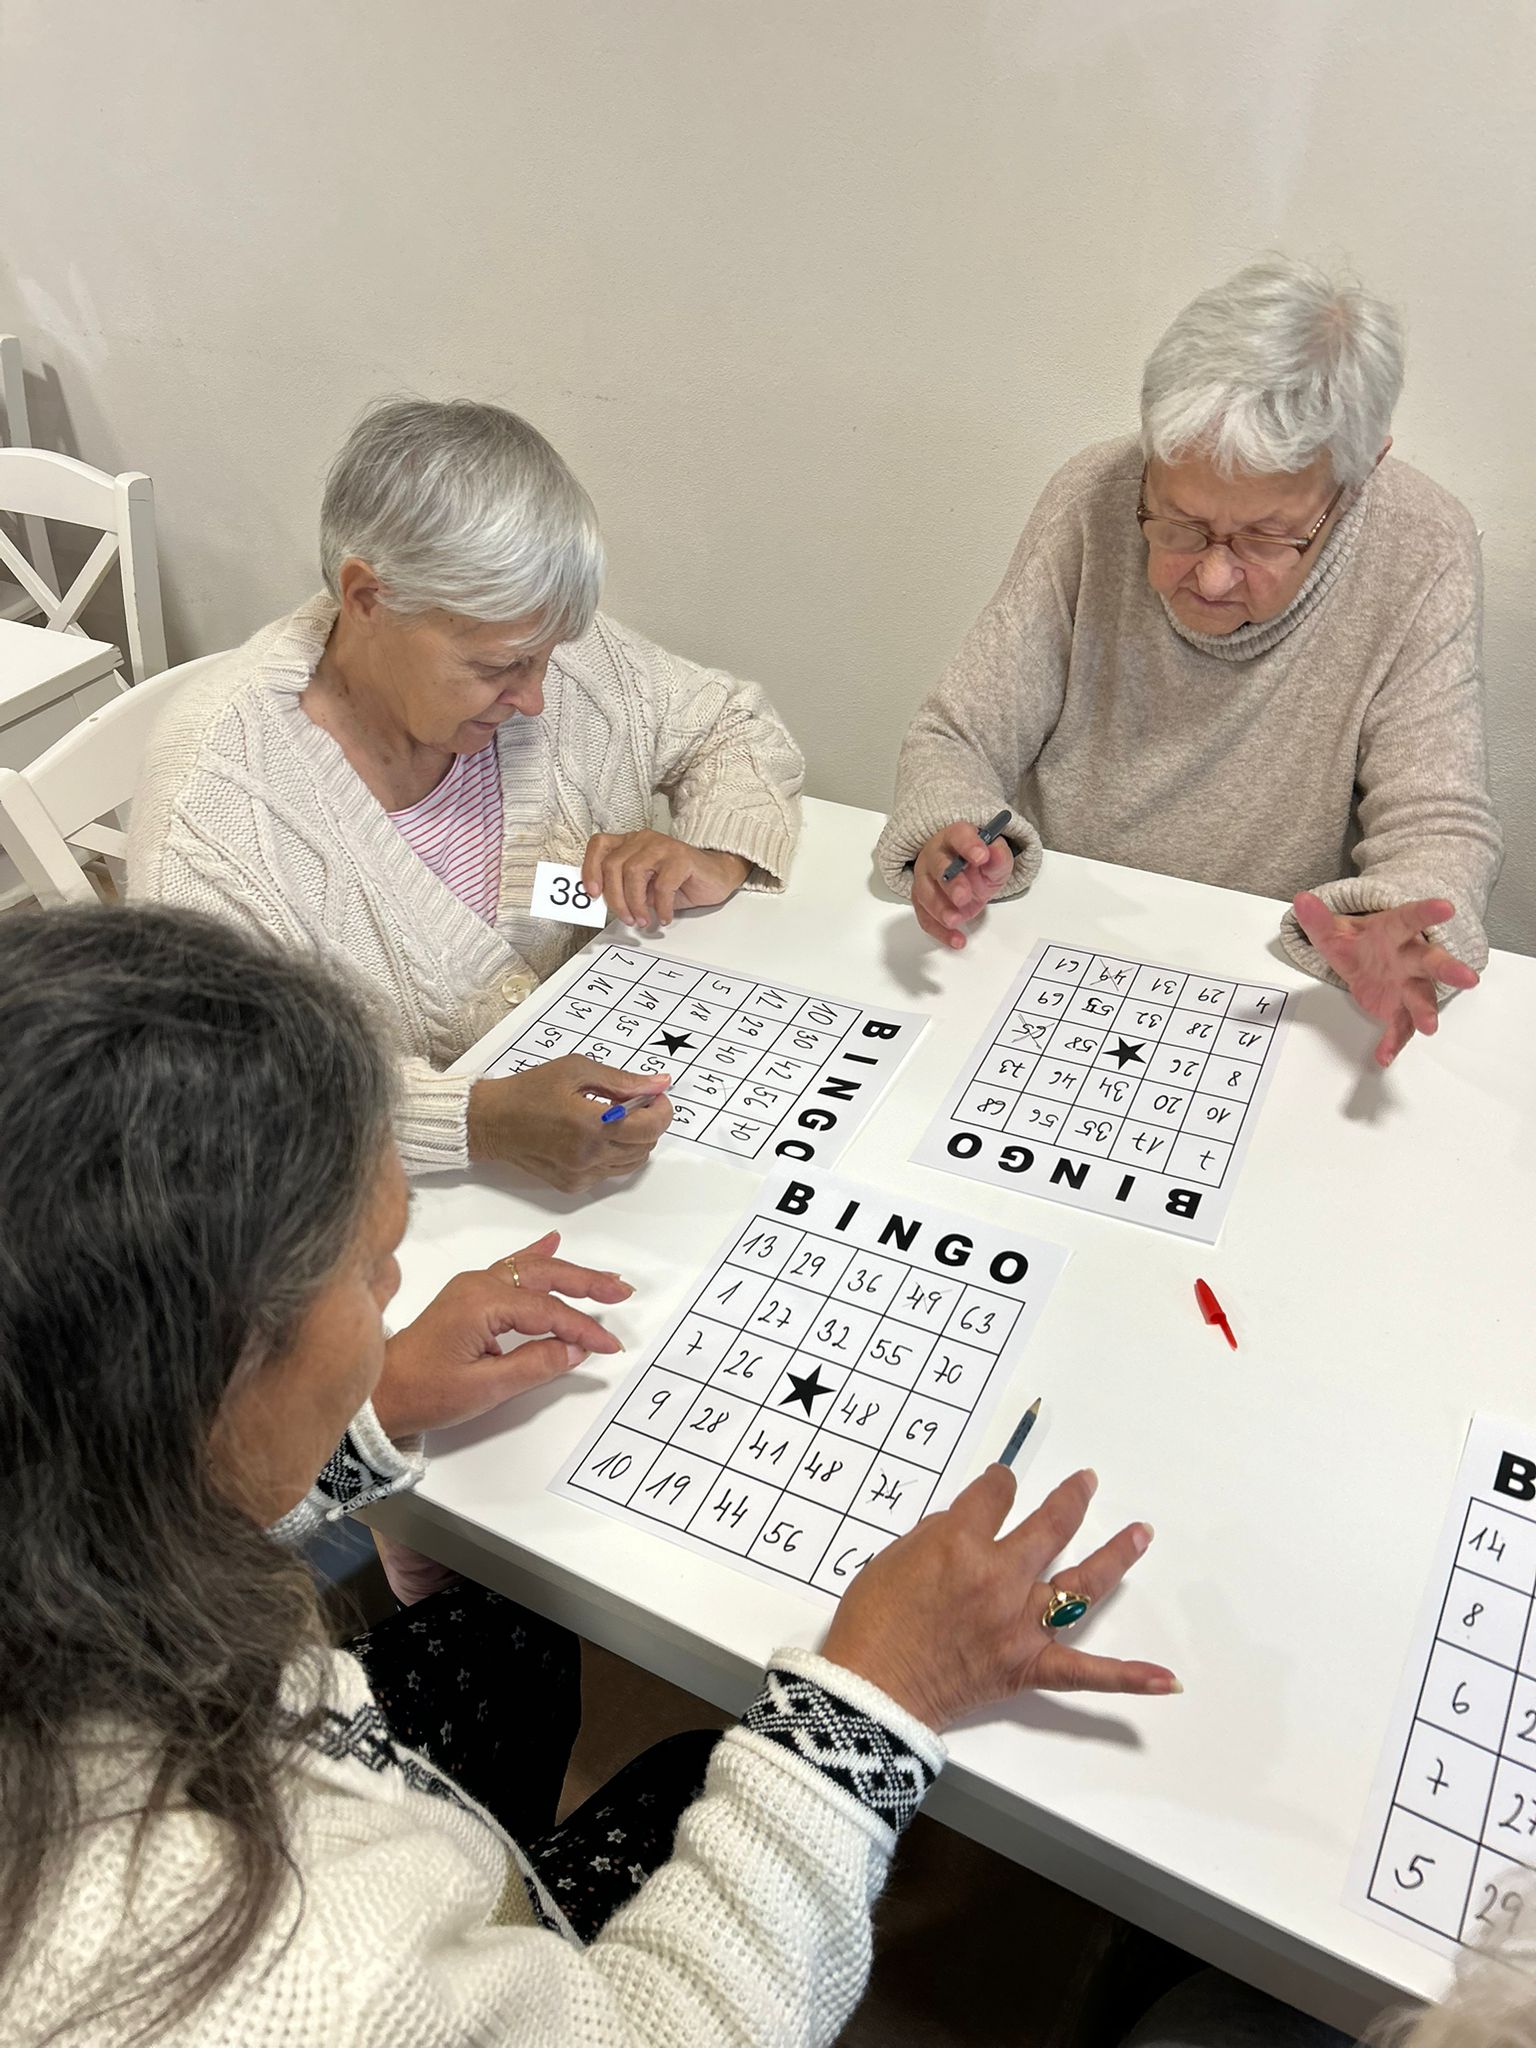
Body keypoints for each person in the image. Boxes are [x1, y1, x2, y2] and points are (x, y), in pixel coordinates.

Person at [0, 904, 1178, 2046]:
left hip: (286, 1743)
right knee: (695, 1775)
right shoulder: (298, 1976)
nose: (397, 1294)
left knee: (506, 1628)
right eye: (368, 1272)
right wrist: (882, 1689)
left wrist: (352, 1410)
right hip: (382, 1922)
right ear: (203, 1371)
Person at [128, 397, 805, 1185]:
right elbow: (210, 1102)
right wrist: (473, 1121)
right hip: (397, 1207)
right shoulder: (212, 803)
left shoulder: (529, 635)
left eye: (548, 656)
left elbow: (732, 723)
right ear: (368, 599)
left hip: (625, 1115)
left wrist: (716, 852)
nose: (536, 696)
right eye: (497, 667)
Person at [875, 256, 1502, 1069]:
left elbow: (1436, 819)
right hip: (1054, 932)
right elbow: (958, 735)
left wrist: (1404, 926)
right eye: (1177, 522)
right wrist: (949, 827)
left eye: (1265, 538)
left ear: (1360, 474)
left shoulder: (1423, 543)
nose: (1208, 577)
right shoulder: (1093, 493)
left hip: (1264, 974)